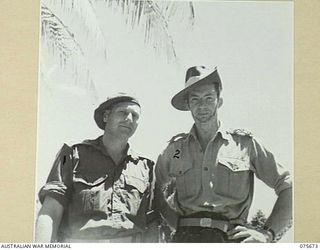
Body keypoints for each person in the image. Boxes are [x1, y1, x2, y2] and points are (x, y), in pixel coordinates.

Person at [155, 66, 292, 243]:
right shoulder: (176, 150)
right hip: (185, 238)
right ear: (188, 105)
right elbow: (154, 187)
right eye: (195, 99)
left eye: (209, 98)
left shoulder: (244, 144)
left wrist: (268, 233)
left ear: (219, 101)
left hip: (231, 239)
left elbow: (288, 186)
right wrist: (174, 220)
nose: (202, 105)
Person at [35, 93, 159, 243]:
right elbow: (51, 210)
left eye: (135, 116)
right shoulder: (71, 153)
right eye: (123, 113)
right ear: (106, 116)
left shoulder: (146, 166)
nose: (129, 119)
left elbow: (151, 222)